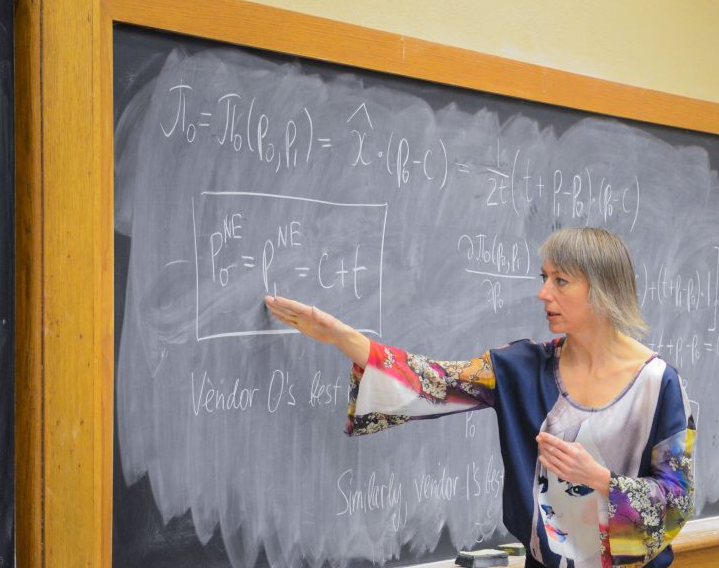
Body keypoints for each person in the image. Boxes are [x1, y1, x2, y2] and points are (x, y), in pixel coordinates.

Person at [265, 227, 695, 568]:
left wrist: (600, 480)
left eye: (561, 280)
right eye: (543, 278)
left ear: (602, 289)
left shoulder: (659, 384)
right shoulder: (520, 368)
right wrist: (342, 337)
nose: (543, 292)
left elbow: (676, 503)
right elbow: (432, 382)